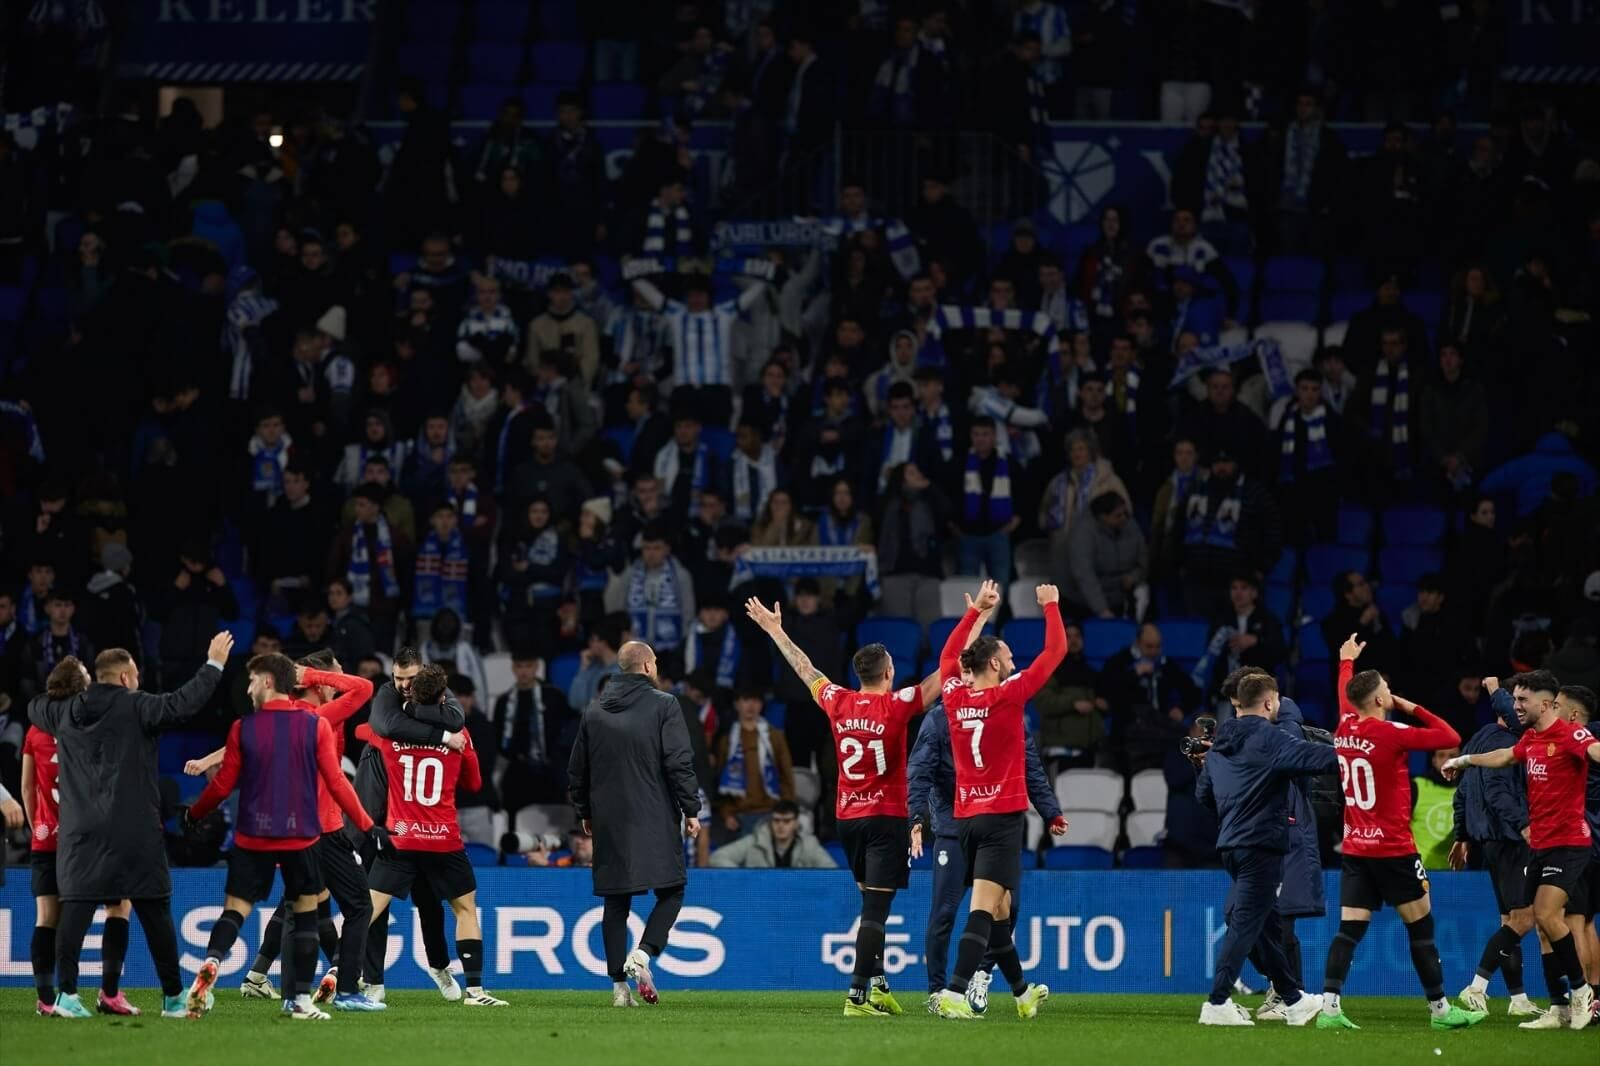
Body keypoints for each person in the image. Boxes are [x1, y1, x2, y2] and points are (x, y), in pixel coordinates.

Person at [748, 598, 944, 1016]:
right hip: (885, 818)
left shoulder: (837, 700)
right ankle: (856, 996)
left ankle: (879, 985)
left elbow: (805, 669)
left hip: (847, 819)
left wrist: (775, 631)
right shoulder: (897, 705)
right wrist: (975, 621)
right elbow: (939, 678)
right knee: (876, 910)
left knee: (870, 904)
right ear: (888, 673)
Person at [27, 633, 233, 1020]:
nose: (138, 680)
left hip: (80, 832)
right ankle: (173, 998)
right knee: (155, 911)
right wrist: (214, 664)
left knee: (76, 910)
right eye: (135, 675)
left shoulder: (63, 711)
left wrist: (63, 689)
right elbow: (183, 703)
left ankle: (66, 996)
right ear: (124, 678)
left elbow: (35, 706)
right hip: (134, 830)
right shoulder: (137, 706)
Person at [181, 651, 378, 1021]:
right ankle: (328, 988)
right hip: (313, 828)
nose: (338, 682)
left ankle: (235, 967)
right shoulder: (317, 719)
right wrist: (368, 826)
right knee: (323, 909)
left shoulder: (255, 722)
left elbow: (243, 749)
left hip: (259, 829)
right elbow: (363, 690)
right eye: (333, 676)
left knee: (270, 908)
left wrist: (204, 781)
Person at [908, 599, 1067, 1012]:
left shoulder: (953, 699)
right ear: (994, 664)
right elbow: (1056, 651)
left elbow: (948, 656)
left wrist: (974, 613)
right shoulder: (1010, 696)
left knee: (1000, 909)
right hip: (1000, 819)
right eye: (1009, 656)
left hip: (965, 818)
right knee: (983, 908)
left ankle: (1022, 994)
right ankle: (954, 993)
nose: (1014, 661)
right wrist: (1051, 606)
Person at [1318, 636, 1482, 1031]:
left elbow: (1345, 696)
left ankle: (1329, 1009)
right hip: (1393, 849)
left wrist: (1345, 662)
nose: (1390, 693)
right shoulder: (1392, 733)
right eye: (1387, 691)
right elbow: (1449, 737)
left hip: (1356, 848)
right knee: (1421, 928)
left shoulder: (1344, 726)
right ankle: (1440, 1011)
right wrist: (1409, 706)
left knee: (1349, 929)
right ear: (1379, 700)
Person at [1443, 670, 1600, 1030]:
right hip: (1539, 846)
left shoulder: (1570, 733)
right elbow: (1504, 756)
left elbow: (1593, 749)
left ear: (1544, 704)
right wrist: (1464, 761)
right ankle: (1558, 1007)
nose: (1515, 706)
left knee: (1545, 915)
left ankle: (1581, 992)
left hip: (1568, 844)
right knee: (1542, 926)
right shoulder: (1531, 737)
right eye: (1514, 699)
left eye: (1522, 700)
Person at [1193, 673, 1335, 1027]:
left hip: (1231, 844)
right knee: (1245, 923)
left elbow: (1204, 795)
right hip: (1262, 845)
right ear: (1270, 702)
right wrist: (1361, 750)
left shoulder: (1220, 745)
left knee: (1265, 925)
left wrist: (1234, 811)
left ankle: (1293, 999)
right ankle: (1217, 1001)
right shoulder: (1271, 738)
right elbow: (1321, 759)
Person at [363, 665, 508, 1008]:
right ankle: (475, 992)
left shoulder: (389, 735)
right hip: (443, 839)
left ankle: (342, 975)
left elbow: (367, 730)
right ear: (444, 698)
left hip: (401, 837)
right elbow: (474, 783)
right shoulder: (460, 735)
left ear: (411, 694)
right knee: (465, 910)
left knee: (365, 911)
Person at [567, 641, 702, 1007]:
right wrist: (691, 808)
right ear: (646, 667)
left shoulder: (594, 711)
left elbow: (577, 770)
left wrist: (585, 811)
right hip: (654, 816)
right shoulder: (665, 705)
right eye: (653, 662)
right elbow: (678, 761)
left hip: (609, 820)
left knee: (616, 901)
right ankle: (643, 953)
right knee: (672, 890)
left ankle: (619, 989)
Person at [22, 658, 137, 1016]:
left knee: (47, 916)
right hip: (90, 838)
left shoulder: (35, 731)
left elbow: (26, 786)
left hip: (47, 838)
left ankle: (46, 999)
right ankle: (109, 993)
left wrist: (39, 826)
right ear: (81, 688)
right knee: (118, 905)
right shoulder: (91, 725)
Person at [352, 649, 465, 1004]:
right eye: (398, 678)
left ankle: (439, 966)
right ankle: (372, 981)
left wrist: (413, 711)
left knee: (429, 903)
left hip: (418, 821)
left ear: (425, 674)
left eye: (411, 679)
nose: (403, 685)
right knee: (376, 905)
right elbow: (386, 726)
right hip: (376, 820)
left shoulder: (440, 694)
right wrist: (441, 736)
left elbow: (457, 717)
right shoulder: (386, 694)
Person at [1452, 676, 1538, 1017]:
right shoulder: (1507, 743)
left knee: (1509, 920)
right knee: (1526, 918)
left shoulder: (1478, 739)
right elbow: (1498, 793)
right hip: (1511, 838)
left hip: (1489, 840)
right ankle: (1477, 986)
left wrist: (1462, 835)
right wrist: (1524, 825)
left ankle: (1518, 999)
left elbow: (1461, 794)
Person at [707, 799, 837, 869]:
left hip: (796, 899)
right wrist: (745, 877)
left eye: (786, 821)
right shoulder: (755, 840)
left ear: (796, 823)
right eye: (776, 820)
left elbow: (832, 872)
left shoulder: (809, 844)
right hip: (760, 898)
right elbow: (717, 857)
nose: (781, 826)